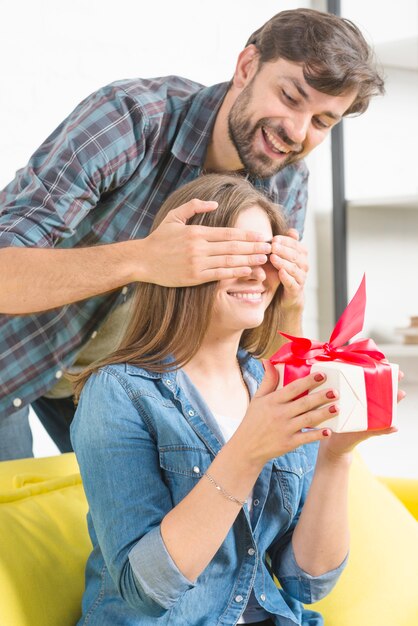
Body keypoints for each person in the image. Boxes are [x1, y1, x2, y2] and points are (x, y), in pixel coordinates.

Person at [0, 8, 385, 460]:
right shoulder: (132, 117)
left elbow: (251, 343)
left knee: (132, 523)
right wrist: (144, 258)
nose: (297, 132)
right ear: (246, 68)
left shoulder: (286, 182)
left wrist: (290, 303)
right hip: (14, 353)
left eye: (322, 121)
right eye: (290, 96)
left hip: (110, 383)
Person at [71, 174, 398, 626]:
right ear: (181, 262)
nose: (255, 273)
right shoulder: (119, 392)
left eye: (266, 254)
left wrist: (335, 457)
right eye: (235, 253)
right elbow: (145, 591)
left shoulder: (278, 382)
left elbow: (307, 582)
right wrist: (248, 449)